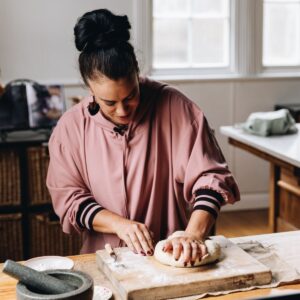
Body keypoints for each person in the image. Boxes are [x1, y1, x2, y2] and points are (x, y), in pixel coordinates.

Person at [47, 9, 240, 264]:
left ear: (137, 72)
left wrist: (193, 234)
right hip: (104, 260)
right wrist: (119, 224)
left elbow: (211, 178)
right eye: (109, 102)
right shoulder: (71, 128)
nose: (122, 110)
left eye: (130, 96)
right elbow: (69, 198)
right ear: (88, 86)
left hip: (175, 257)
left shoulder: (176, 108)